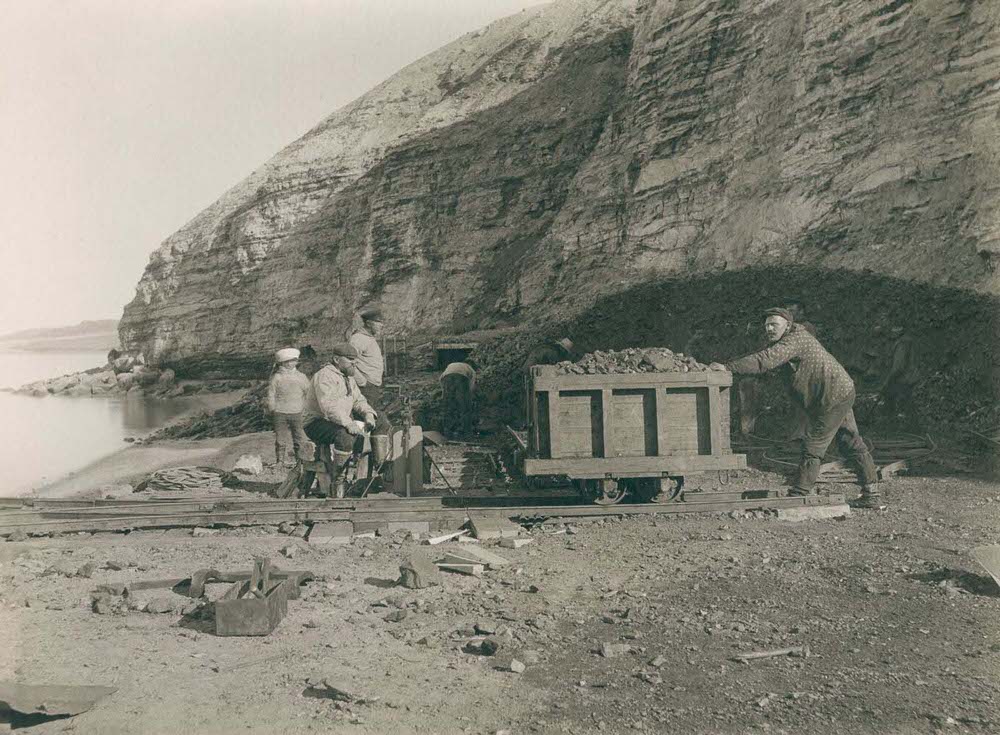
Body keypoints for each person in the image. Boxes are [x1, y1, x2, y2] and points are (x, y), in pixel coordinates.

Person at [710, 307, 882, 508]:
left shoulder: (796, 339)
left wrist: (728, 367)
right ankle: (872, 493)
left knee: (813, 445)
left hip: (832, 396)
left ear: (788, 325)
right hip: (838, 391)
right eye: (767, 325)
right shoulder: (787, 339)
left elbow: (764, 360)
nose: (769, 329)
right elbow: (763, 356)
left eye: (774, 324)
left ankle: (799, 493)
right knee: (850, 442)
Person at [303, 344, 379, 497]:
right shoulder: (324, 376)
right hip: (316, 422)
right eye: (350, 359)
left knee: (381, 420)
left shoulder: (348, 378)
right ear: (337, 359)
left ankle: (380, 466)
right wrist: (348, 423)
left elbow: (358, 400)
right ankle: (338, 480)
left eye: (355, 360)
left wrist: (369, 414)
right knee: (344, 436)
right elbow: (328, 406)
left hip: (337, 420)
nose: (354, 363)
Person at [348, 307, 391, 465]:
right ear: (368, 323)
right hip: (365, 388)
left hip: (371, 387)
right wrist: (362, 381)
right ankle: (376, 462)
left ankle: (367, 460)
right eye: (379, 323)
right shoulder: (358, 339)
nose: (381, 326)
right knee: (375, 422)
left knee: (370, 422)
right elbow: (348, 361)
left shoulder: (368, 339)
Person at [266, 348, 311, 466]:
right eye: (289, 361)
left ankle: (300, 461)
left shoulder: (301, 377)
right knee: (280, 439)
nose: (292, 363)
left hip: (298, 412)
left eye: (294, 361)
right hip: (280, 412)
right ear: (283, 363)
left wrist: (306, 410)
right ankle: (280, 461)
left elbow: (309, 394)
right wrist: (272, 409)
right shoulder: (276, 377)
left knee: (300, 438)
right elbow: (271, 394)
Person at [877, 326, 919, 422]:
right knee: (905, 402)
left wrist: (887, 381)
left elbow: (898, 367)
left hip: (904, 379)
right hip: (910, 377)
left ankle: (892, 423)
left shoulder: (902, 344)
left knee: (890, 396)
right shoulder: (908, 341)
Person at [440, 360, 477, 438]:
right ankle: (466, 432)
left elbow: (441, 379)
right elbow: (471, 387)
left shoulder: (451, 364)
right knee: (465, 408)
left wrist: (444, 395)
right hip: (461, 378)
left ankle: (448, 431)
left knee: (448, 407)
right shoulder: (471, 369)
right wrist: (468, 399)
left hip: (447, 377)